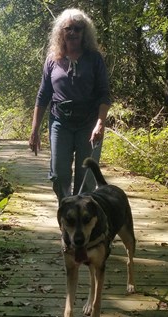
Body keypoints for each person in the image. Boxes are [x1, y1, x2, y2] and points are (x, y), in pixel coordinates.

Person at [29, 8, 111, 203]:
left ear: (85, 33)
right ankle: (67, 214)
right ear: (61, 32)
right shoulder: (52, 60)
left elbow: (104, 94)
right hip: (60, 123)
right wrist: (35, 130)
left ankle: (81, 225)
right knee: (59, 175)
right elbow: (43, 96)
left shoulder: (94, 59)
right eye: (68, 28)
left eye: (78, 28)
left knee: (86, 179)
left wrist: (100, 123)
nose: (73, 32)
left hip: (88, 124)